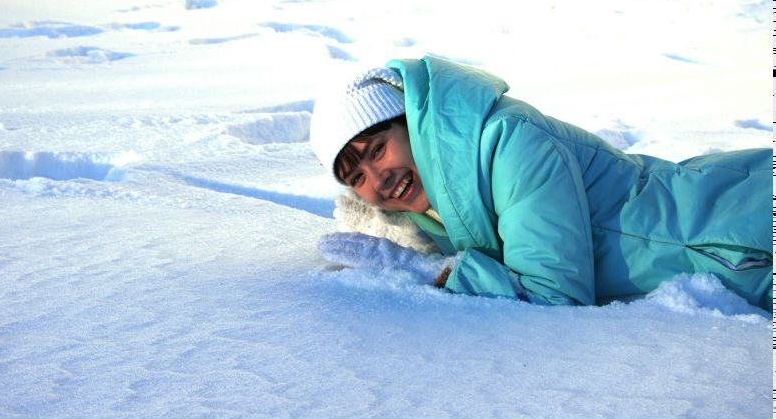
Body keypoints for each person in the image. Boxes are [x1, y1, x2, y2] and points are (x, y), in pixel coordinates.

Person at [310, 56, 773, 311]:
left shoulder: (510, 144)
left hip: (731, 232)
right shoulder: (439, 187)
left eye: (377, 150)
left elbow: (554, 297)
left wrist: (433, 274)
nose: (379, 178)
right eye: (357, 177)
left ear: (410, 124)